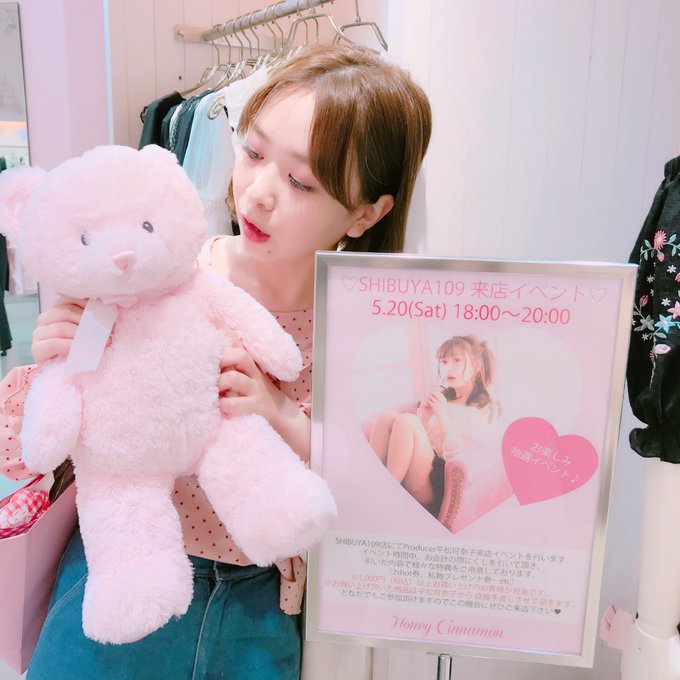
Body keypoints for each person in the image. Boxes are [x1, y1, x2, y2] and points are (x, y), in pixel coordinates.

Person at [4, 44, 431, 680]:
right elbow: (26, 450)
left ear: (367, 211)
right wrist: (60, 361)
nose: (257, 194)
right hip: (128, 565)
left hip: (260, 602)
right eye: (252, 152)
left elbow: (388, 486)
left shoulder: (369, 329)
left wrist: (284, 414)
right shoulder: (162, 274)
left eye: (301, 182)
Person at [369, 334, 498, 516]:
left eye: (457, 361)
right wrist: (424, 416)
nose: (448, 368)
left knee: (407, 420)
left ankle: (383, 499)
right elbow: (415, 440)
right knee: (386, 417)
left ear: (477, 367)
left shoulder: (483, 408)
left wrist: (442, 415)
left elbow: (459, 457)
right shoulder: (441, 396)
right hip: (416, 466)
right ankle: (369, 486)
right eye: (444, 362)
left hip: (438, 479)